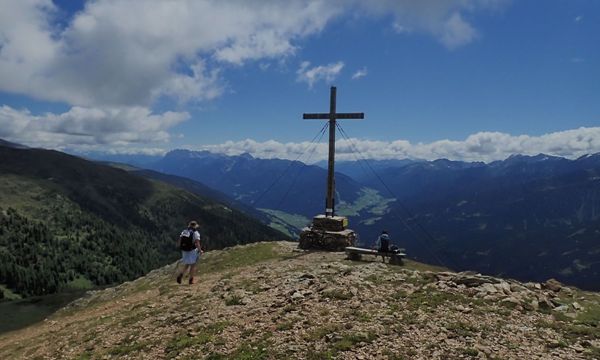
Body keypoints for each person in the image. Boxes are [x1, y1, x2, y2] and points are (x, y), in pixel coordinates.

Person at [176, 220, 203, 284]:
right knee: (193, 265)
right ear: (195, 226)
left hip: (184, 250)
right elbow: (197, 242)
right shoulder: (195, 233)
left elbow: (180, 240)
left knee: (187, 263)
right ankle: (191, 280)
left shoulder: (184, 231)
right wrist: (200, 250)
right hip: (192, 250)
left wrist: (180, 247)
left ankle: (181, 274)